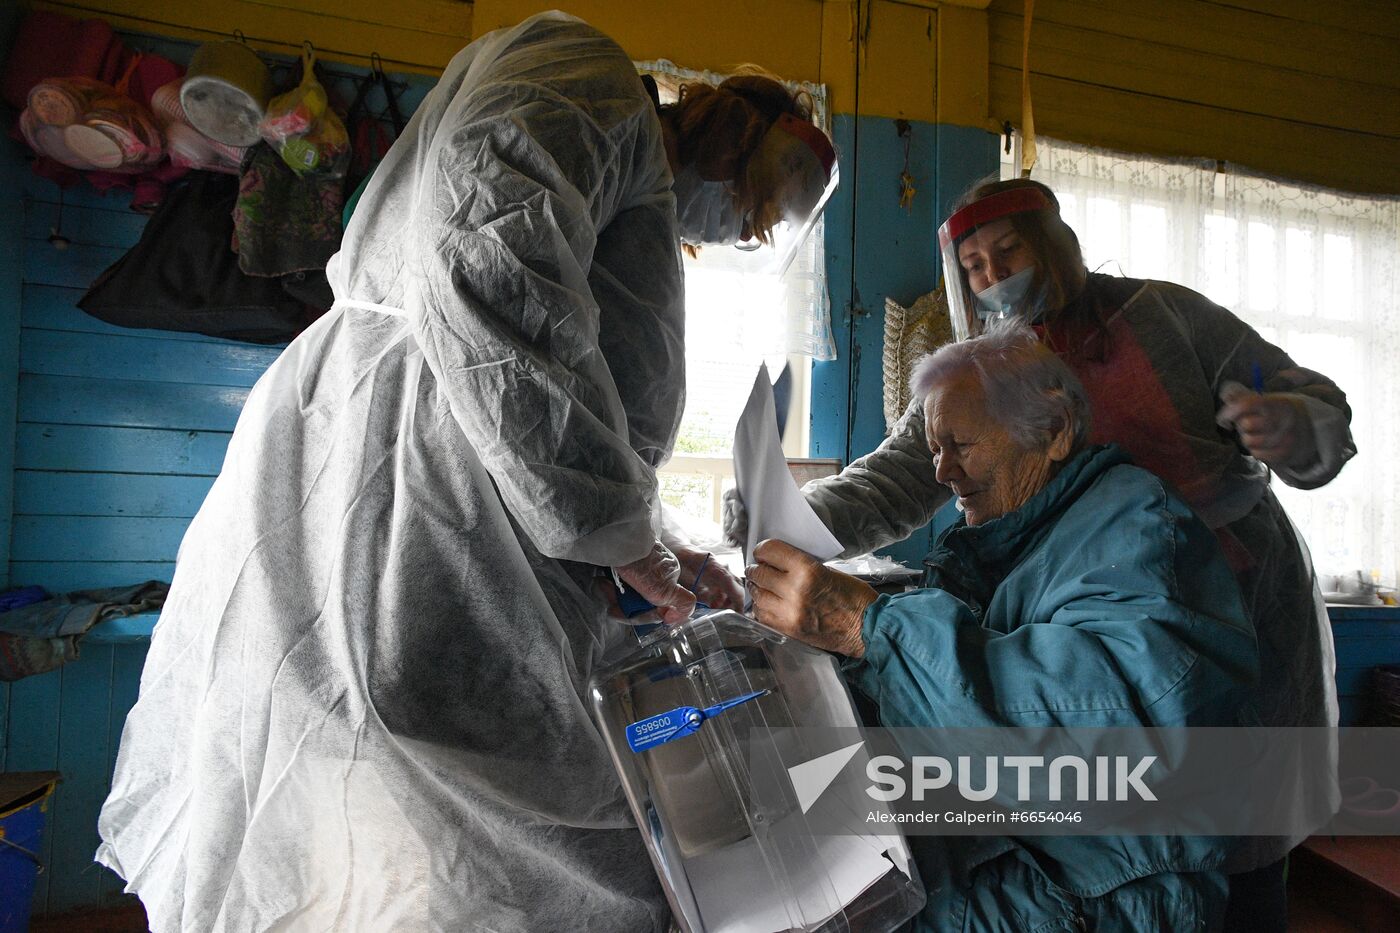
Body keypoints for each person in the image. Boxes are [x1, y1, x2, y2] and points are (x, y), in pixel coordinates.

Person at [97, 13, 833, 931]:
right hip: (416, 504)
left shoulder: (625, 180)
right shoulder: (590, 77)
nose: (738, 230)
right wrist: (623, 536)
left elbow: (568, 395)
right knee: (466, 829)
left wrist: (656, 540)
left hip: (451, 511)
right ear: (734, 140)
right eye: (753, 207)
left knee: (443, 852)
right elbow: (489, 266)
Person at [728, 176, 1351, 928]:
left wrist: (1290, 420)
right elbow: (899, 477)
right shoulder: (976, 370)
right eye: (974, 265)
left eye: (1007, 251)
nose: (992, 275)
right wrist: (782, 523)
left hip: (1236, 605)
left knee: (1238, 838)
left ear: (1053, 244)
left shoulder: (1168, 317)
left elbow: (1290, 391)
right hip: (1094, 619)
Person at [746, 325, 1260, 930]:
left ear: (1054, 431)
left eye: (960, 443)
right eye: (935, 448)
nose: (941, 472)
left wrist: (870, 628)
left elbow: (1089, 747)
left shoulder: (1137, 523)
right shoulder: (1013, 535)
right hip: (1025, 851)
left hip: (1105, 887)